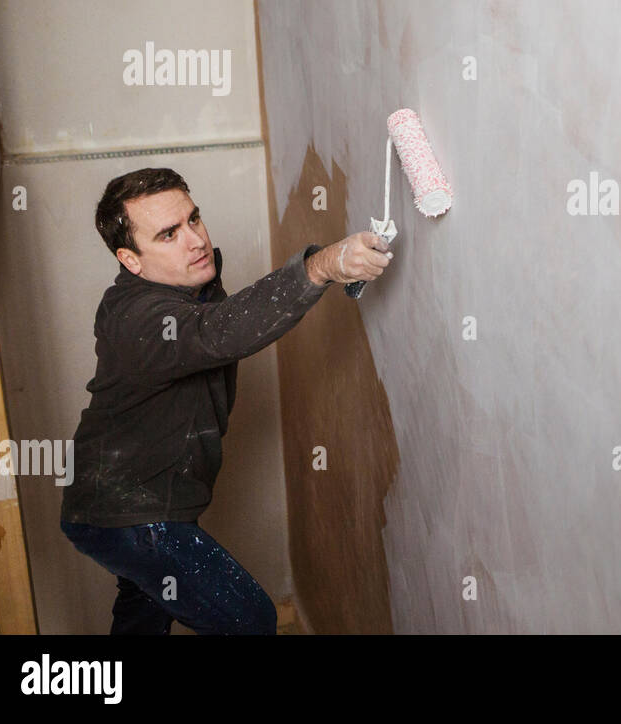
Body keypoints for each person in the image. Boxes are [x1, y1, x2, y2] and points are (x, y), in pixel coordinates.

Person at [59, 167, 391, 634]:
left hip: (128, 505)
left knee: (143, 615)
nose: (194, 240)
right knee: (250, 619)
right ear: (130, 260)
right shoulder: (139, 317)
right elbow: (217, 332)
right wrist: (322, 266)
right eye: (168, 234)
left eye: (193, 220)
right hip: (127, 512)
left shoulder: (190, 287)